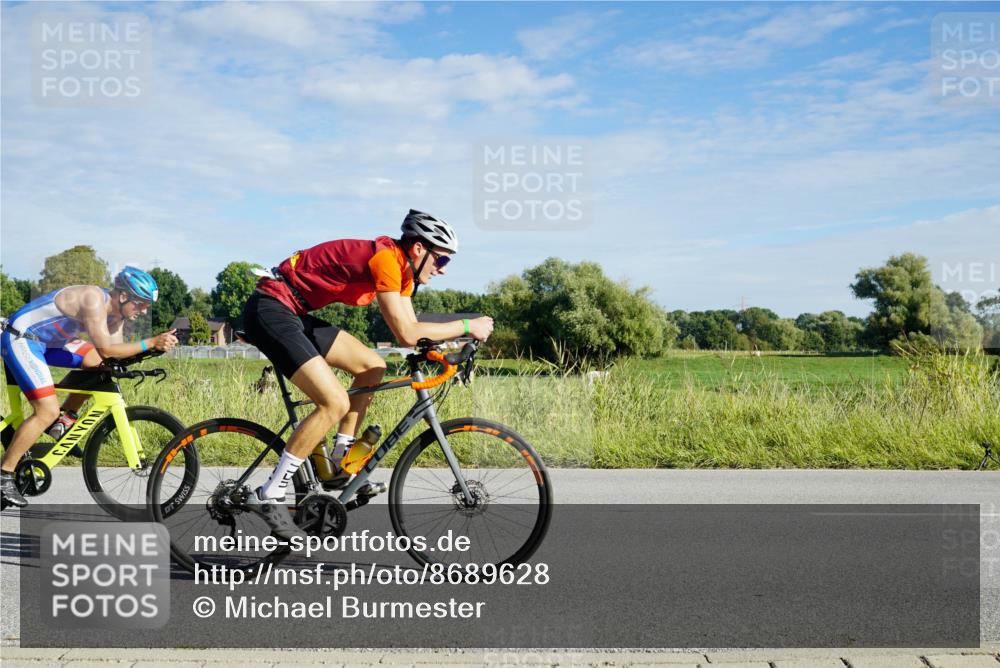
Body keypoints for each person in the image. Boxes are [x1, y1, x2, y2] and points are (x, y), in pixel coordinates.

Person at [241, 210, 494, 539]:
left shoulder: (402, 271)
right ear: (418, 249)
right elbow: (405, 333)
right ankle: (270, 493)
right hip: (270, 308)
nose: (442, 270)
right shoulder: (387, 261)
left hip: (293, 311)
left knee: (372, 366)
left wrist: (437, 348)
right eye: (442, 260)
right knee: (334, 403)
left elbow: (414, 329)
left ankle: (338, 462)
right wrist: (466, 326)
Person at [0, 267, 179, 508]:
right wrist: (150, 341)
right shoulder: (93, 299)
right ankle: (4, 476)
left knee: (99, 364)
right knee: (46, 410)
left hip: (50, 343)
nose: (144, 310)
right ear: (123, 296)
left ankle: (64, 420)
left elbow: (111, 357)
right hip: (23, 337)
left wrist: (153, 350)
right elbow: (107, 348)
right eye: (141, 304)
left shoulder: (117, 317)